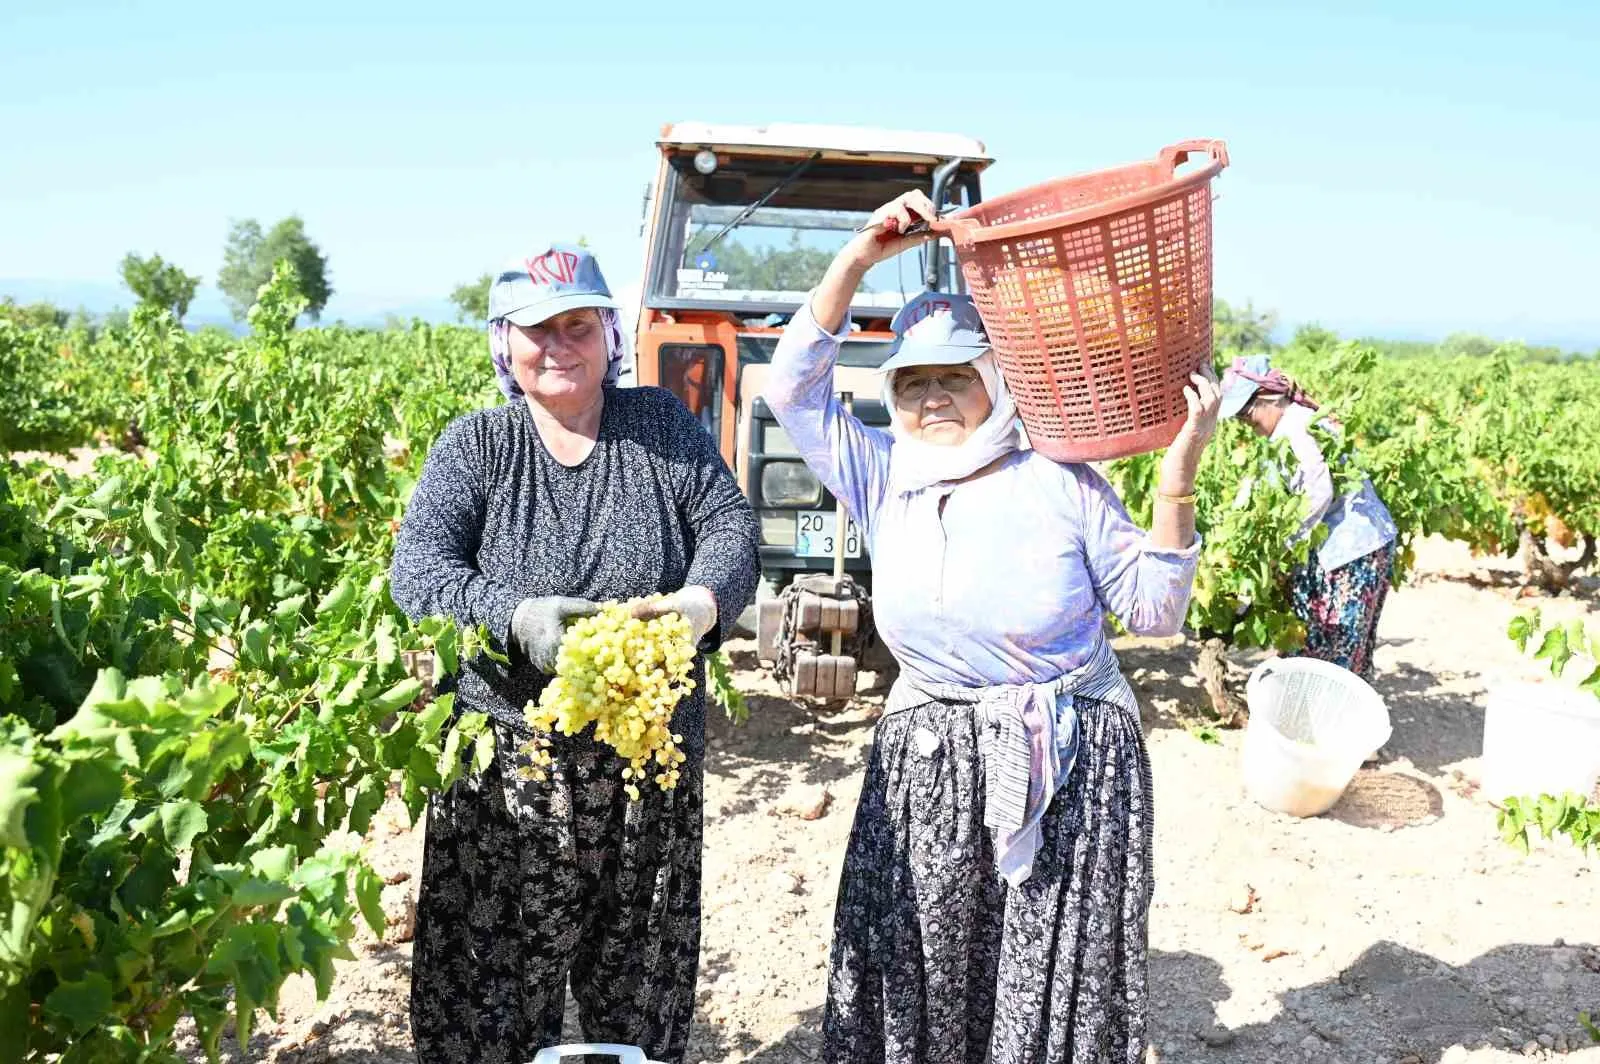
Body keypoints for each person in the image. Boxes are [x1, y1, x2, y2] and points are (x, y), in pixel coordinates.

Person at [762, 191, 1223, 1064]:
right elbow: (790, 386)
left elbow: (1157, 615)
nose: (933, 397)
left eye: (956, 377)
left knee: (1047, 979)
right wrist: (861, 254)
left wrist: (1177, 480)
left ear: (998, 382)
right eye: (913, 380)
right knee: (921, 966)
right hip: (931, 760)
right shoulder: (881, 472)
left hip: (1068, 765)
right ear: (891, 393)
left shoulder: (1060, 478)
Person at [389, 243, 759, 1064]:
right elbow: (417, 574)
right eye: (537, 330)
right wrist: (516, 618)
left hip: (643, 770)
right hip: (509, 778)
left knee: (637, 988)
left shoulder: (659, 426)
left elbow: (731, 530)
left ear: (608, 335)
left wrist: (699, 603)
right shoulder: (478, 446)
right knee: (488, 994)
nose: (559, 345)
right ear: (503, 345)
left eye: (577, 325)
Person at [1219, 354, 1399, 681]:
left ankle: (1327, 725)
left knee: (1335, 651)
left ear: (1268, 400)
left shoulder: (1296, 427)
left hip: (1352, 552)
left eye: (1247, 416)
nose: (1247, 425)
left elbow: (1318, 491)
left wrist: (1283, 549)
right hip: (1350, 547)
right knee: (1324, 648)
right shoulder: (1291, 424)